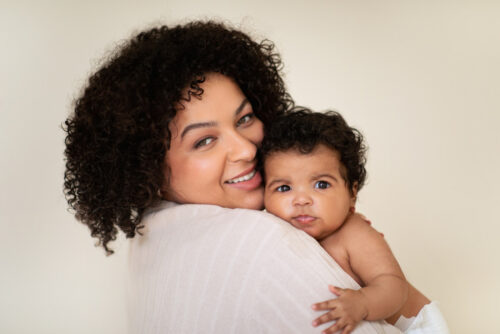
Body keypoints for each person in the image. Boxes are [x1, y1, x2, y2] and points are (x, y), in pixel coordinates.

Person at [64, 21, 401, 333]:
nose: (245, 149)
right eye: (204, 141)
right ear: (146, 166)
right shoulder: (264, 241)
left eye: (245, 118)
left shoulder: (153, 240)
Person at [261, 109, 449, 334]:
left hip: (418, 327)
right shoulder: (279, 233)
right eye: (284, 188)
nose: (301, 200)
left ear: (352, 193)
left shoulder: (354, 233)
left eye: (321, 184)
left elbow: (394, 286)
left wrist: (361, 303)